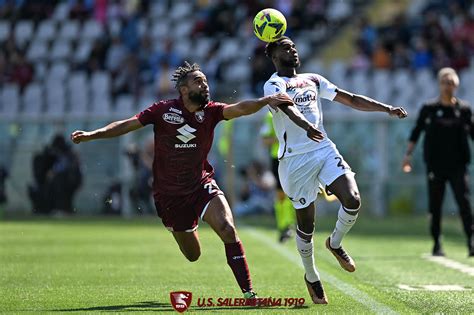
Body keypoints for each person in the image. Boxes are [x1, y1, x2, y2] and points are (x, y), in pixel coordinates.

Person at [70, 61, 293, 299]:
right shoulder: (162, 110)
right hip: (170, 197)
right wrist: (93, 135)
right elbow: (127, 124)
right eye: (199, 81)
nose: (205, 85)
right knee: (193, 255)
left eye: (206, 81)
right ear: (184, 90)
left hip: (201, 185)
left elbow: (239, 108)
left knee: (228, 229)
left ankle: (249, 294)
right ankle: (184, 230)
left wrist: (264, 101)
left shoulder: (212, 111)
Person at [263, 36, 408, 304]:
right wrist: (307, 127)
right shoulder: (273, 84)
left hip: (323, 149)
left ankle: (335, 243)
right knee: (306, 225)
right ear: (273, 56)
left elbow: (350, 98)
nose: (293, 50)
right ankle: (311, 275)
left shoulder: (314, 79)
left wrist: (385, 108)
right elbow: (287, 107)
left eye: (294, 45)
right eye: (285, 47)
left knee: (352, 200)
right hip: (295, 160)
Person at [402, 67, 474, 258]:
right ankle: (437, 243)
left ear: (456, 85)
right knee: (435, 206)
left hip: (459, 166)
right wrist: (408, 155)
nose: (448, 86)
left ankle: (471, 241)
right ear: (439, 84)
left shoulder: (464, 110)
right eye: (445, 82)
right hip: (435, 165)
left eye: (451, 82)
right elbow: (416, 132)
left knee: (464, 204)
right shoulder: (430, 109)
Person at [261, 111, 296, 242]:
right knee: (281, 193)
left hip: (294, 157)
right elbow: (265, 140)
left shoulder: (295, 112)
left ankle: (291, 225)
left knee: (293, 192)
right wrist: (282, 138)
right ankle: (284, 226)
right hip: (278, 158)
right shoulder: (270, 117)